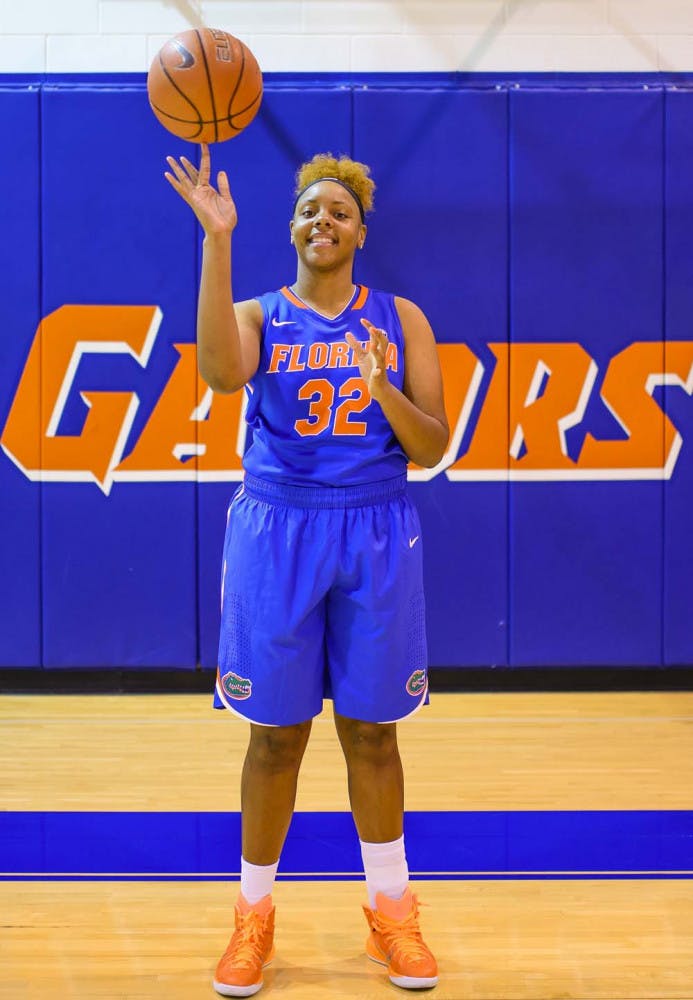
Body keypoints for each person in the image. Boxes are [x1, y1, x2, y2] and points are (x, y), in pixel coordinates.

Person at [164, 143, 448, 997]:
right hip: (277, 528)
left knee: (371, 730)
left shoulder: (401, 319)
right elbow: (218, 372)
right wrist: (216, 240)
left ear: (361, 231)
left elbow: (432, 447)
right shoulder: (258, 313)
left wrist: (382, 388)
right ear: (290, 228)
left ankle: (390, 914)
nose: (320, 220)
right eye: (308, 210)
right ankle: (252, 918)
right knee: (275, 735)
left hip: (373, 529)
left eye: (338, 211)